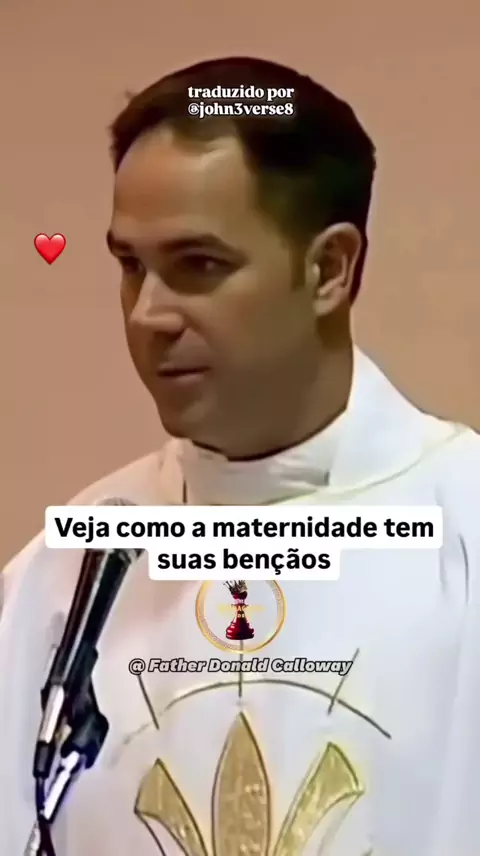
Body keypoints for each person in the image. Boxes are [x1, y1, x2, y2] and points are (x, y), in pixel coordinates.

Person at [1, 56, 479, 856]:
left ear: (329, 269)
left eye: (199, 265)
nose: (148, 315)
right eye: (131, 266)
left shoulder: (464, 526)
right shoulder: (72, 568)